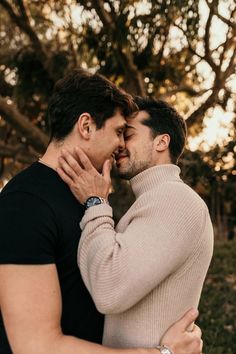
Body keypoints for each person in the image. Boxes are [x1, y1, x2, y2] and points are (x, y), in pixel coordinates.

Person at [0, 70, 203, 354]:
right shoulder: (24, 202)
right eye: (120, 131)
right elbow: (35, 346)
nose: (121, 144)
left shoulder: (88, 197)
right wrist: (163, 353)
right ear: (86, 126)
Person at [57, 97, 214, 350]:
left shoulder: (174, 200)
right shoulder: (154, 201)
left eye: (127, 134)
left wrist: (95, 202)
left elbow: (109, 288)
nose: (119, 144)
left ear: (162, 141)